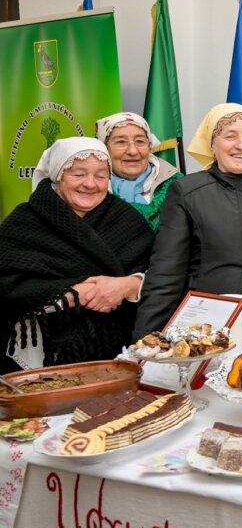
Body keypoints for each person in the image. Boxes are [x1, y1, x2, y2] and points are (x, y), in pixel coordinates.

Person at [135, 103, 242, 348]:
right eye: (230, 136)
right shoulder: (188, 192)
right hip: (210, 332)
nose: (241, 145)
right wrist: (146, 340)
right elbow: (166, 273)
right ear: (211, 144)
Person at [0, 138, 154, 372]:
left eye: (101, 176)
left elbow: (162, 276)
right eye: (78, 174)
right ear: (58, 175)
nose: (90, 184)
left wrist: (127, 286)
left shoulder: (127, 220)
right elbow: (7, 286)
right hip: (38, 360)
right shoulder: (24, 222)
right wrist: (71, 294)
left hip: (121, 354)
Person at [95, 112, 183, 230]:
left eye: (140, 141)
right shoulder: (89, 189)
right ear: (105, 148)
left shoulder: (178, 186)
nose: (133, 151)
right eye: (121, 142)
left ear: (149, 147)